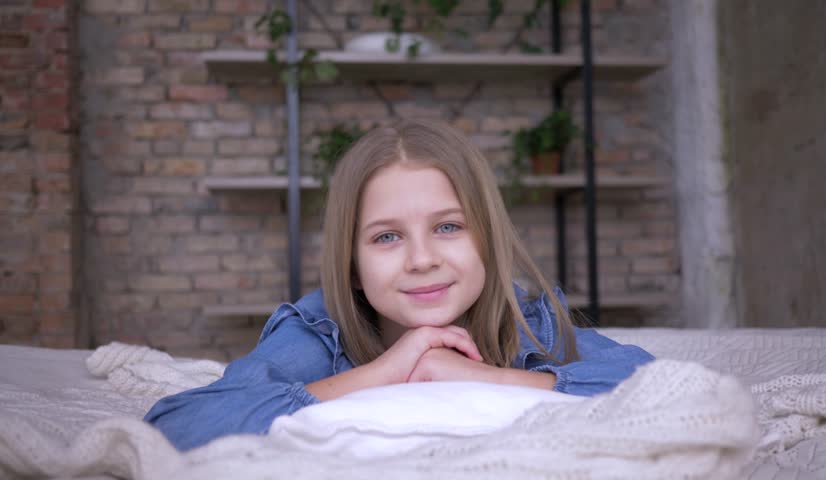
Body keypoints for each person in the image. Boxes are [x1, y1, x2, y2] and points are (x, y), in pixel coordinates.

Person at [144, 118, 655, 451]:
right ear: (353, 266)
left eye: (448, 227)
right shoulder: (322, 330)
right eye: (387, 237)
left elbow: (651, 384)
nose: (422, 259)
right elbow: (178, 424)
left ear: (488, 240)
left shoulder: (523, 319)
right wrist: (386, 370)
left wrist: (475, 376)